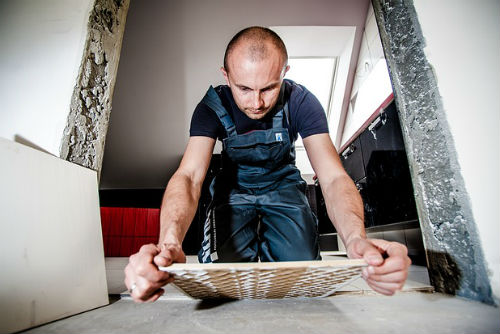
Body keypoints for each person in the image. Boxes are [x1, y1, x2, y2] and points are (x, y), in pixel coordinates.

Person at [124, 26, 411, 303]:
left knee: (299, 277)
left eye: (269, 88)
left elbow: (333, 177)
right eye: (245, 88)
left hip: (283, 185)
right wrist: (170, 243)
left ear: (284, 74)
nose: (257, 103)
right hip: (233, 190)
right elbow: (188, 177)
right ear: (226, 76)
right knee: (225, 278)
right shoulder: (211, 107)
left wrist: (355, 241)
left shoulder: (301, 102)